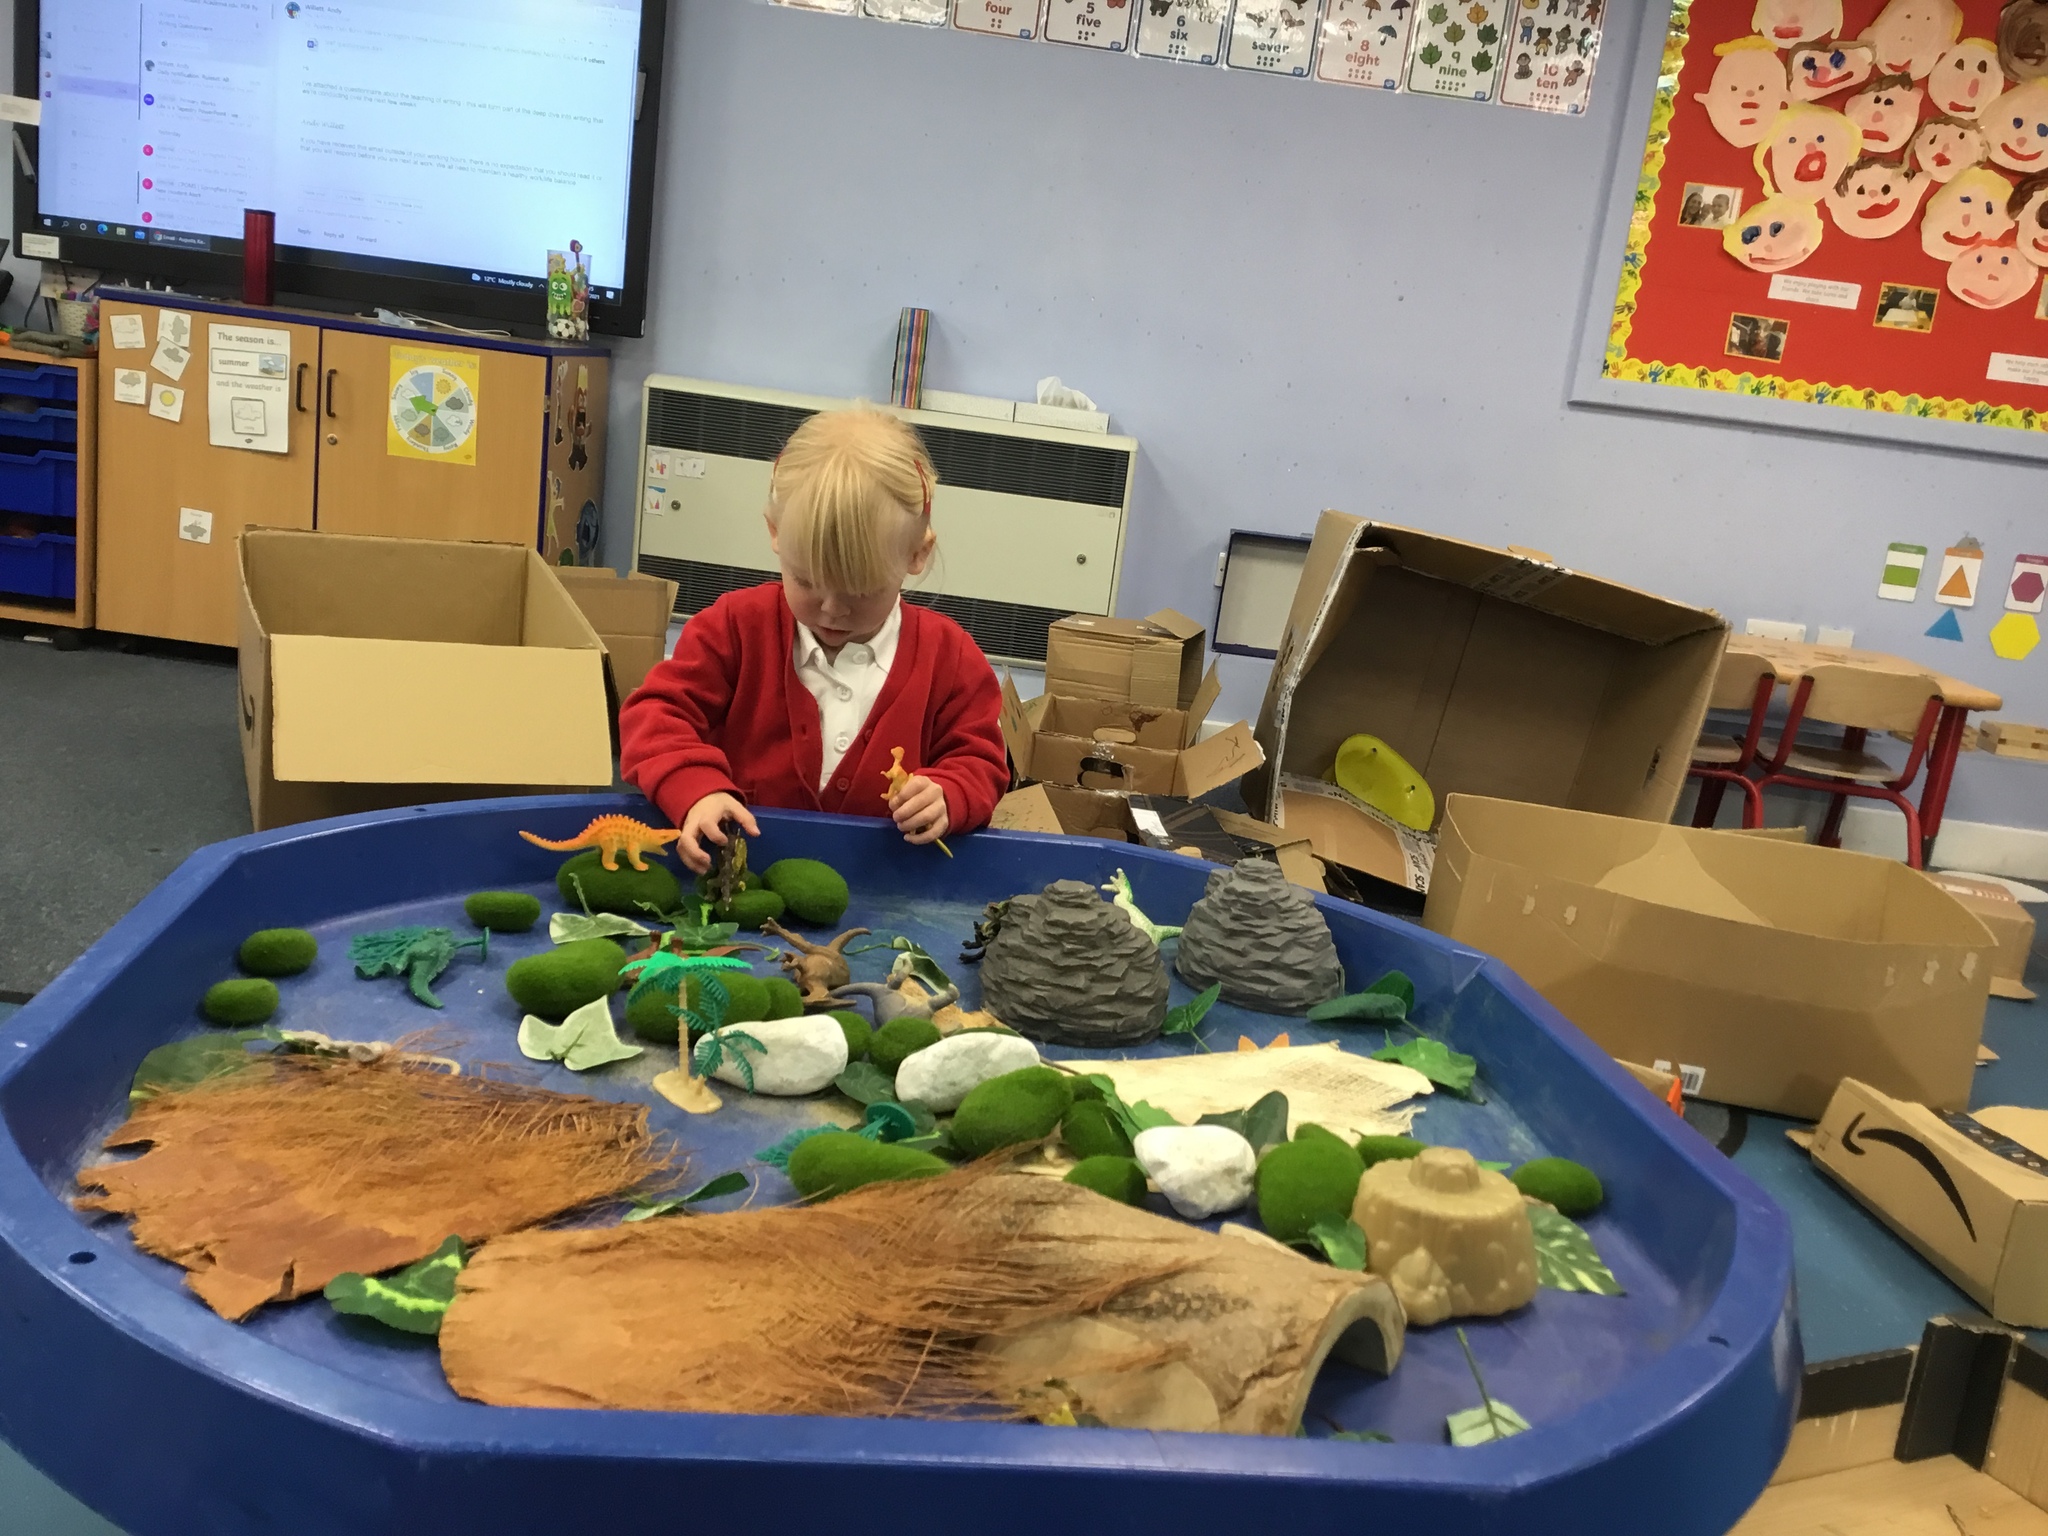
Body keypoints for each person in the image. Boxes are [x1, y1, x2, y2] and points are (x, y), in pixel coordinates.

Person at [620, 407, 1010, 873]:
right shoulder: (733, 628)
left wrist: (950, 793)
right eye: (806, 581)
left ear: (917, 554)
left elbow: (981, 760)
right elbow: (655, 717)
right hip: (743, 877)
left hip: (890, 886)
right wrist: (697, 789)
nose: (832, 609)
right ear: (774, 534)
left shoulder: (950, 658)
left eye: (861, 591)